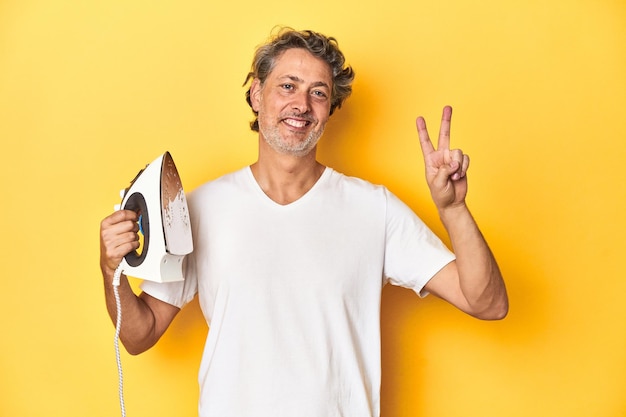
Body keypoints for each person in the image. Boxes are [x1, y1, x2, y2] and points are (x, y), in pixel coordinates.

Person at [99, 28, 508, 417]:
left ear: (330, 110)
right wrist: (111, 269)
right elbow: (140, 335)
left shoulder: (373, 209)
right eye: (288, 86)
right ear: (257, 95)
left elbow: (486, 302)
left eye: (319, 93)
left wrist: (453, 210)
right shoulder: (199, 208)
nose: (302, 105)